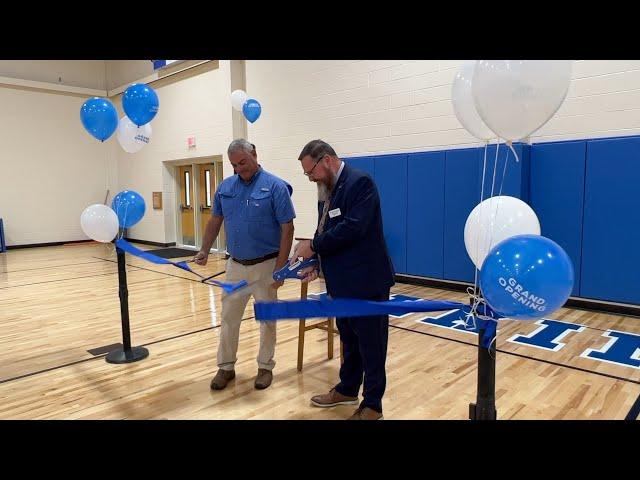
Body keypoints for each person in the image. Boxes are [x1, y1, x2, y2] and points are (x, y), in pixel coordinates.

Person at [292, 139, 395, 420]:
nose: (309, 177)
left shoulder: (360, 183)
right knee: (349, 340)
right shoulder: (325, 189)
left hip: (367, 282)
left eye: (310, 171)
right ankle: (348, 389)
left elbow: (353, 228)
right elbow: (326, 229)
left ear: (325, 160)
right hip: (341, 283)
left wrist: (312, 246)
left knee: (372, 345)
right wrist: (317, 263)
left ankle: (373, 405)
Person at [194, 139, 295, 390]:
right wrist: (204, 249)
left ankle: (265, 367)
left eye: (243, 162)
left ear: (255, 154)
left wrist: (281, 268)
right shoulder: (225, 187)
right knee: (229, 317)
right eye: (234, 165)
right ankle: (225, 367)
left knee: (267, 319)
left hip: (266, 265)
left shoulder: (276, 187)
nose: (240, 169)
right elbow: (215, 220)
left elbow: (288, 229)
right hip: (235, 266)